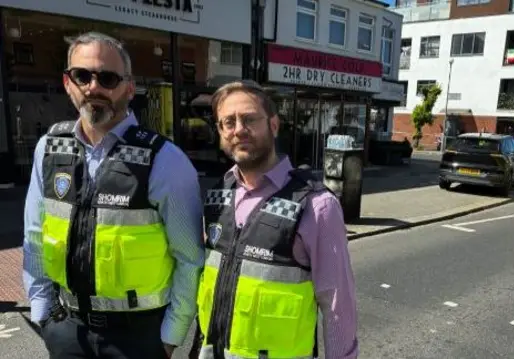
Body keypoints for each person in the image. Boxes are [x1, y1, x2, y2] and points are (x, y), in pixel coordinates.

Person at [22, 31, 205, 358]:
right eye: (82, 76)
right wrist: (44, 314)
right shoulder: (48, 149)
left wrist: (168, 339)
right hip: (67, 332)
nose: (94, 87)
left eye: (107, 78)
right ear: (68, 83)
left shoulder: (165, 160)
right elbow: (35, 236)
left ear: (129, 88)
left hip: (138, 338)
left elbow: (189, 260)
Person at [191, 80, 358, 359]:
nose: (239, 130)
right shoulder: (217, 195)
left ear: (274, 125)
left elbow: (337, 306)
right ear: (220, 132)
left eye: (249, 119)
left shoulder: (317, 206)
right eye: (228, 122)